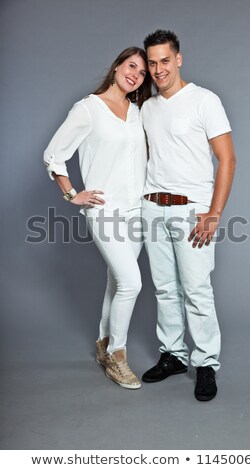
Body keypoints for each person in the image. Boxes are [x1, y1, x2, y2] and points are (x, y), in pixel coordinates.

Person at [43, 47, 152, 390]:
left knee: (116, 282)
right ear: (117, 66)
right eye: (131, 66)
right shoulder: (89, 108)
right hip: (104, 211)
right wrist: (72, 194)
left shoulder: (137, 112)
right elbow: (54, 154)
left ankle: (103, 344)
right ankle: (118, 357)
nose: (136, 74)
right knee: (131, 283)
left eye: (142, 72)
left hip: (136, 210)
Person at [141, 30, 236, 401]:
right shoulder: (147, 107)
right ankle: (173, 355)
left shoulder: (204, 101)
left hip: (191, 211)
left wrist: (214, 212)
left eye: (165, 60)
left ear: (178, 59)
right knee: (165, 289)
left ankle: (206, 364)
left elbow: (227, 159)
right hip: (152, 207)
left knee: (196, 289)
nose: (158, 69)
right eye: (152, 62)